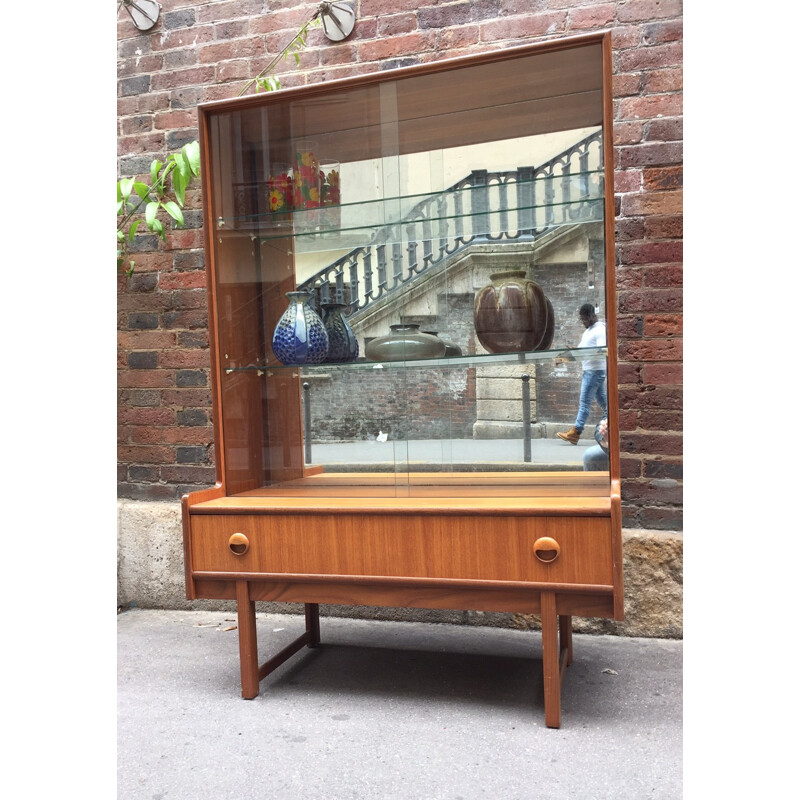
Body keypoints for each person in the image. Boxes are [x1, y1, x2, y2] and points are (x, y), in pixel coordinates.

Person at [557, 303, 607, 445]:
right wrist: (563, 358)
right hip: (590, 371)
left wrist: (579, 353)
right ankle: (608, 424)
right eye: (582, 320)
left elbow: (602, 351)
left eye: (585, 319)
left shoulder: (600, 330)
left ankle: (576, 432)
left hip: (595, 371)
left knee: (584, 402)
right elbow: (580, 352)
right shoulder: (588, 332)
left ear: (592, 316)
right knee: (605, 404)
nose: (583, 322)